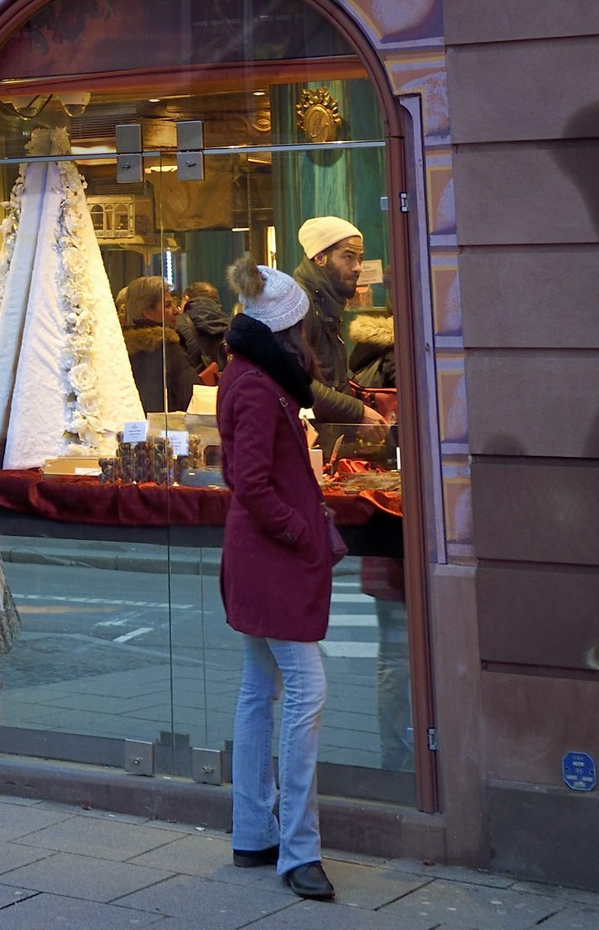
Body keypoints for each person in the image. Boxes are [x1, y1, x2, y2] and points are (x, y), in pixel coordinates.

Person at [217, 257, 337, 901]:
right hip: (273, 559)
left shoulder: (246, 376)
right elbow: (254, 483)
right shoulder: (263, 386)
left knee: (258, 689)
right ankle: (299, 848)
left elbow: (248, 479)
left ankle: (252, 833)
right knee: (305, 692)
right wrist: (299, 529)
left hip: (256, 558)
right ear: (288, 331)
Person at [294, 216, 385, 450]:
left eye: (360, 258)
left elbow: (332, 380)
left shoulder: (327, 305)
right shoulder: (299, 305)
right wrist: (358, 412)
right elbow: (295, 382)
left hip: (324, 445)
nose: (358, 268)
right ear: (320, 258)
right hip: (307, 447)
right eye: (348, 257)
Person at [121, 275, 195, 413]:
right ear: (147, 312)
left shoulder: (118, 348)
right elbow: (189, 396)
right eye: (167, 305)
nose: (176, 310)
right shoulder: (167, 348)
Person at [177, 280, 230, 375]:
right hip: (222, 386)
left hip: (193, 387)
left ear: (186, 298)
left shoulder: (178, 324)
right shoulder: (229, 324)